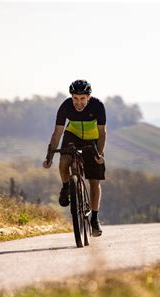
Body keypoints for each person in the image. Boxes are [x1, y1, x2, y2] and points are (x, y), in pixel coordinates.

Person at [43, 79, 106, 237]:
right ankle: (66, 187)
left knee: (94, 181)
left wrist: (99, 154)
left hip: (92, 140)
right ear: (71, 97)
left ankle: (95, 219)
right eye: (75, 98)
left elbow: (103, 133)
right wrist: (49, 157)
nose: (78, 103)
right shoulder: (65, 106)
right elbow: (57, 133)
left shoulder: (97, 106)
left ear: (88, 97)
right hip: (73, 136)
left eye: (82, 98)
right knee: (64, 160)